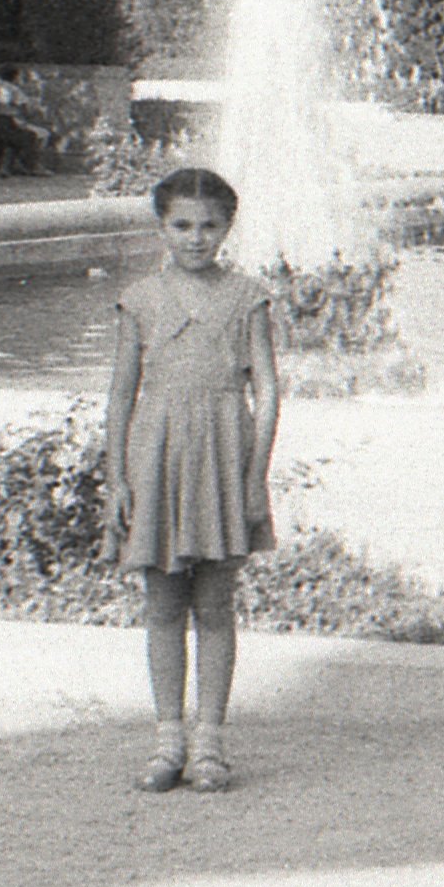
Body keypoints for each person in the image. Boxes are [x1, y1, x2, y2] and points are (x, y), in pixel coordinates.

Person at [103, 166, 280, 794]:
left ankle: (209, 742)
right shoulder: (140, 299)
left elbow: (268, 390)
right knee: (161, 604)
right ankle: (167, 739)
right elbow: (120, 396)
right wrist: (117, 477)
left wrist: (255, 475)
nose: (196, 238)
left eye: (209, 226)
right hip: (157, 454)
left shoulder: (248, 297)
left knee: (214, 604)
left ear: (228, 228)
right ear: (162, 226)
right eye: (181, 225)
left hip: (223, 451)